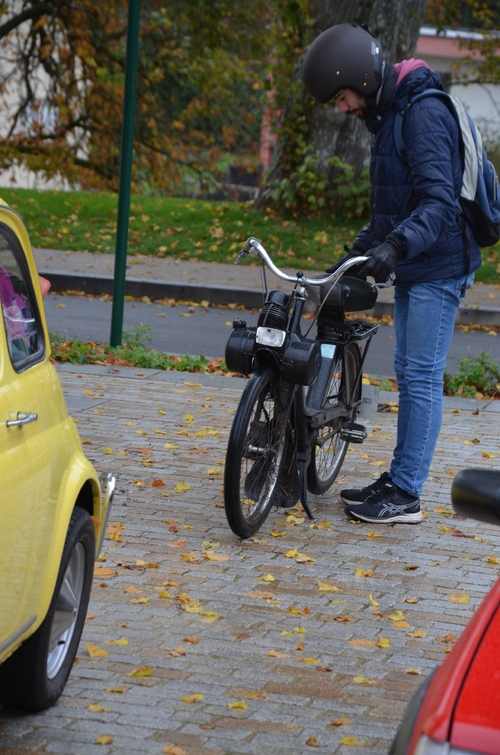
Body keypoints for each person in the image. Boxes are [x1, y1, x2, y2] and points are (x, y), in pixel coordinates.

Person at [302, 23, 481, 524]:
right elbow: (393, 205)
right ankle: (399, 479)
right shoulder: (390, 115)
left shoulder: (420, 113)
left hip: (439, 265)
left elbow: (439, 202)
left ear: (359, 76)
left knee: (421, 377)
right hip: (418, 261)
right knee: (409, 373)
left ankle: (406, 494)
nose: (342, 108)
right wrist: (360, 250)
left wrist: (395, 246)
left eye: (340, 96)